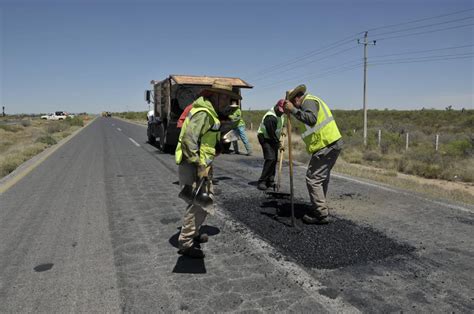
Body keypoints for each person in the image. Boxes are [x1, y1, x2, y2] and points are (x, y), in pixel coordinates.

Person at [175, 79, 239, 258]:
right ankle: (186, 243)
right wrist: (199, 164)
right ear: (215, 96)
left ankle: (193, 234)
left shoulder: (211, 113)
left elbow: (205, 139)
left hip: (201, 163)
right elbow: (189, 140)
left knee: (201, 200)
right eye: (225, 98)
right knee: (199, 202)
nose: (228, 103)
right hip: (193, 163)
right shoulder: (203, 112)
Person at [284, 84, 342, 224]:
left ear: (296, 99)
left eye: (293, 104)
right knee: (321, 178)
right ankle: (319, 207)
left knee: (313, 178)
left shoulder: (307, 101)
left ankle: (321, 214)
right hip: (330, 144)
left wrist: (293, 111)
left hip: (326, 144)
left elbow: (311, 119)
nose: (294, 107)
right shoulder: (310, 101)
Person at [257, 99, 286, 191]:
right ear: (277, 106)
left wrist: (283, 129)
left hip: (273, 138)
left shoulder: (280, 114)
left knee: (274, 160)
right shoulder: (270, 117)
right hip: (265, 138)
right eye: (280, 111)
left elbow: (280, 124)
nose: (281, 113)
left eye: (283, 112)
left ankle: (270, 180)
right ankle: (262, 181)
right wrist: (279, 145)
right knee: (270, 159)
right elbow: (271, 134)